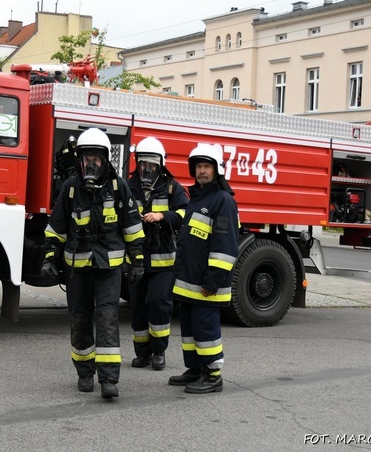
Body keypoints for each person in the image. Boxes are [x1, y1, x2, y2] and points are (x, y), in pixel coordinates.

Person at [41, 128, 145, 399]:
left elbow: (133, 227)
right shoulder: (71, 187)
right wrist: (50, 258)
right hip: (78, 266)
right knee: (80, 318)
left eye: (96, 159)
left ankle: (109, 379)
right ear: (81, 160)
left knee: (108, 317)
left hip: (109, 267)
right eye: (88, 159)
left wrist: (137, 261)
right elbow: (57, 227)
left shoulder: (118, 186)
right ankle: (85, 373)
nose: (92, 164)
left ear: (105, 159)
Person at [168, 144, 239, 394]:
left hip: (207, 285)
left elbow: (225, 247)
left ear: (217, 169)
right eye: (198, 166)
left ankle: (212, 374)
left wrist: (212, 281)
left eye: (206, 166)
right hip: (189, 282)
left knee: (206, 329)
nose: (202, 171)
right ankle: (196, 369)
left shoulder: (223, 201)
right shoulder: (198, 198)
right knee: (189, 330)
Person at [127, 137, 188, 371]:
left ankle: (159, 351)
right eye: (143, 164)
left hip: (163, 261)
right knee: (138, 307)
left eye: (152, 165)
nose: (147, 169)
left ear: (160, 164)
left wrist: (163, 217)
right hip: (137, 259)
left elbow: (185, 214)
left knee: (158, 303)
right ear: (138, 163)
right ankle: (142, 353)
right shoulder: (129, 186)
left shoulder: (171, 186)